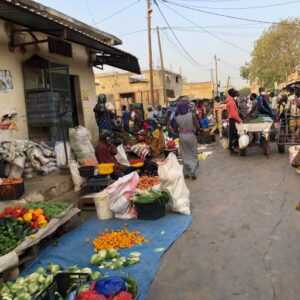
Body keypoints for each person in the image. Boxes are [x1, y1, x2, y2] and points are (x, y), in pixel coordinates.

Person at [175, 98, 200, 180]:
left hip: (182, 136)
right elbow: (197, 126)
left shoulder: (177, 117)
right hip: (191, 135)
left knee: (184, 154)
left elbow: (174, 128)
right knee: (193, 153)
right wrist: (196, 131)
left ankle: (186, 172)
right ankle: (192, 171)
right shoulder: (191, 115)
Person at [226, 88, 242, 154]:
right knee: (233, 134)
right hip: (233, 119)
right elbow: (233, 114)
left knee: (232, 134)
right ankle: (232, 148)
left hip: (232, 119)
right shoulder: (231, 102)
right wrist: (239, 120)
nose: (236, 93)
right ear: (232, 93)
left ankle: (232, 147)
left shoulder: (230, 100)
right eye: (235, 92)